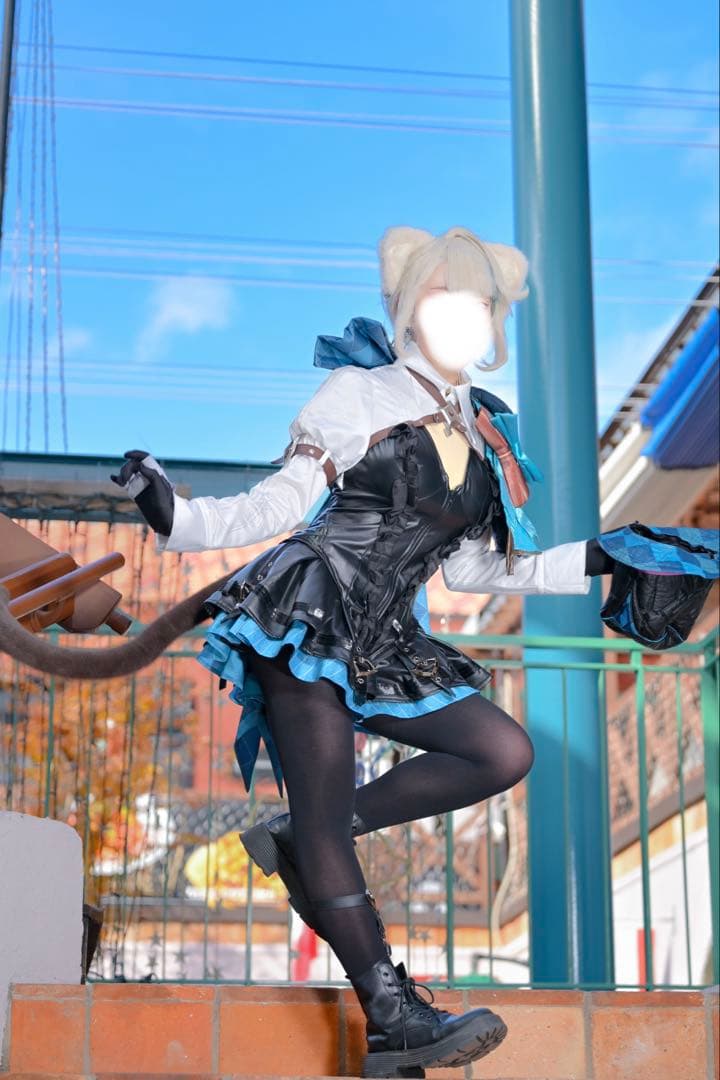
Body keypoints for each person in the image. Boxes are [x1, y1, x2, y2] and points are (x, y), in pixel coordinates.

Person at [110, 225, 616, 1079]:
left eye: (480, 300)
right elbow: (281, 503)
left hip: (386, 635)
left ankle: (307, 836)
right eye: (444, 295)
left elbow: (477, 568)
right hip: (306, 614)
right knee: (326, 816)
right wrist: (179, 516)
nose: (463, 313)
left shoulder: (486, 429)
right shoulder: (361, 391)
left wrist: (603, 559)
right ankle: (392, 1016)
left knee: (501, 750)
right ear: (408, 308)